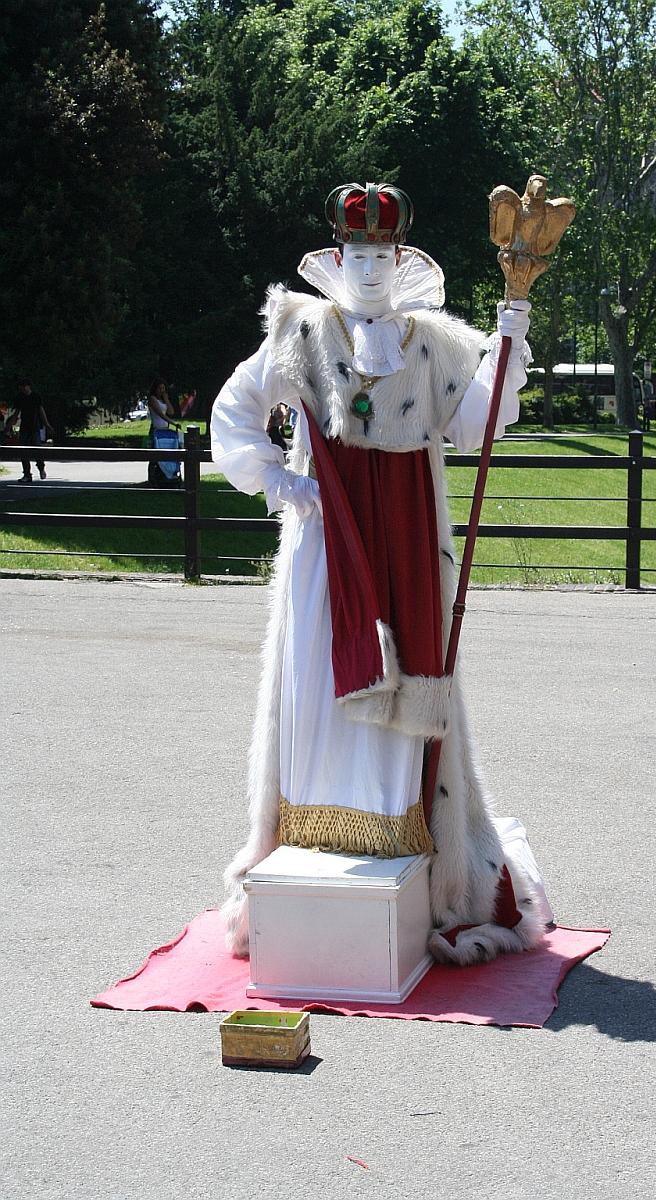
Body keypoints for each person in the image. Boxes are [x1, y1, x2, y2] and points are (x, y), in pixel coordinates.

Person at [211, 182, 554, 966]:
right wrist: (279, 481)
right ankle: (313, 833)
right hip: (325, 549)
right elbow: (232, 414)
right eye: (356, 254)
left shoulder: (433, 344)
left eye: (381, 255)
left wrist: (509, 332)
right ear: (338, 258)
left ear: (399, 262)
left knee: (406, 679)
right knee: (316, 677)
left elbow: (479, 418)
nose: (368, 268)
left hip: (406, 546)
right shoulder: (298, 333)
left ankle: (405, 837)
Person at [13, 379, 53, 481]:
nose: (23, 388)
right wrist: (9, 426)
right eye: (21, 386)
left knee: (37, 449)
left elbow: (41, 410)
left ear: (29, 386)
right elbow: (17, 412)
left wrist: (47, 424)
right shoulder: (20, 397)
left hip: (34, 426)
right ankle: (27, 474)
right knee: (23, 451)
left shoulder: (35, 396)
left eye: (24, 386)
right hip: (24, 427)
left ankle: (41, 468)